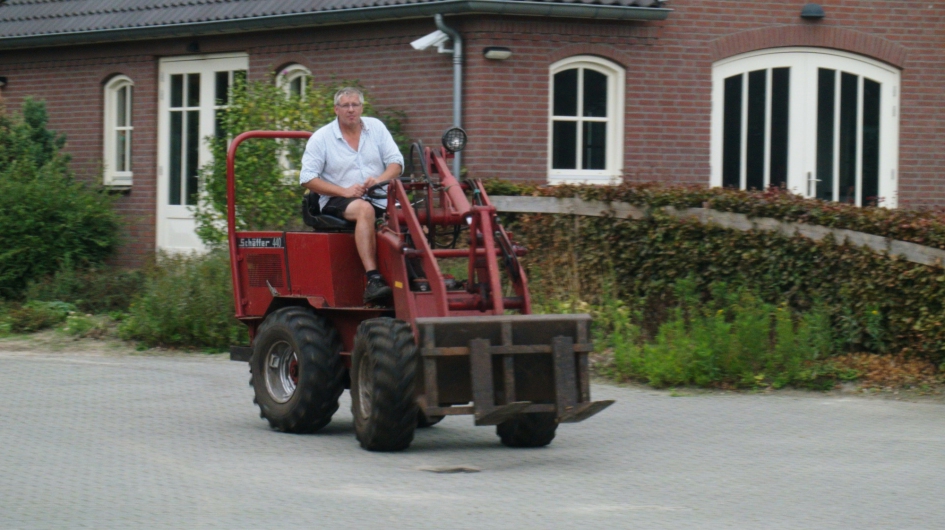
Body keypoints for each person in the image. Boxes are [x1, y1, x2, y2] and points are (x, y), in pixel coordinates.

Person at [299, 87, 404, 304]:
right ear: (336, 109)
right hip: (336, 198)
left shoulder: (376, 128)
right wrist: (344, 191)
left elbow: (397, 163)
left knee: (411, 218)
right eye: (345, 106)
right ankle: (373, 279)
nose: (350, 110)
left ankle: (415, 275)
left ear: (361, 107)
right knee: (364, 210)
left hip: (378, 194)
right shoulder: (321, 138)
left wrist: (379, 179)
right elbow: (307, 178)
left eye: (355, 105)